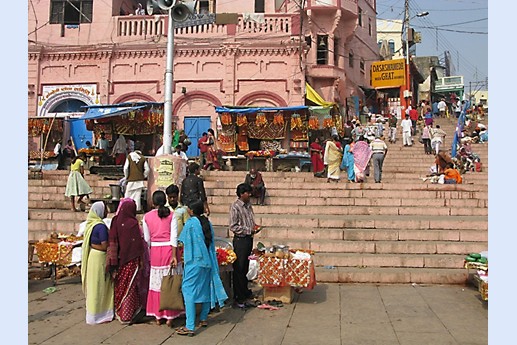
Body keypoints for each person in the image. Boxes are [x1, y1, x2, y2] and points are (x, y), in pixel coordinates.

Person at [175, 199, 228, 337]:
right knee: (205, 288)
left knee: (188, 291)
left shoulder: (191, 224)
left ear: (191, 211)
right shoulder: (207, 222)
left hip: (194, 261)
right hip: (207, 261)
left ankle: (190, 326)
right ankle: (203, 318)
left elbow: (182, 241)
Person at [142, 190, 184, 326]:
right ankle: (170, 316)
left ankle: (158, 315)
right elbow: (174, 237)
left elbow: (147, 239)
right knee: (170, 282)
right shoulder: (171, 215)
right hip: (169, 251)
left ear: (153, 202)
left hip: (155, 251)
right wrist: (173, 255)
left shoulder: (146, 217)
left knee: (157, 283)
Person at [106, 199, 147, 324]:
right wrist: (141, 260)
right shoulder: (133, 223)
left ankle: (122, 312)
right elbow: (137, 245)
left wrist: (113, 261)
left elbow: (112, 241)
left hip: (119, 260)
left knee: (122, 287)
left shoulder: (115, 221)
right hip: (132, 260)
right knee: (130, 288)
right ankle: (127, 315)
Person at [81, 201, 114, 325]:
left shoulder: (90, 224)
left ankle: (93, 314)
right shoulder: (100, 226)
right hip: (100, 257)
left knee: (94, 285)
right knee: (100, 285)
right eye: (105, 209)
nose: (107, 212)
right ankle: (101, 314)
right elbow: (105, 245)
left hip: (92, 257)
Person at [229, 183, 262, 307]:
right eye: (247, 193)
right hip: (240, 240)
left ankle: (245, 291)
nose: (249, 195)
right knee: (239, 268)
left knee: (245, 267)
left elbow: (250, 220)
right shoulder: (235, 207)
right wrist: (249, 230)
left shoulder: (248, 206)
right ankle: (239, 296)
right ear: (241, 194)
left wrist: (254, 227)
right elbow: (233, 226)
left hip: (249, 239)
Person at [123, 142, 150, 212]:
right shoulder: (143, 158)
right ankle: (137, 209)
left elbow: (125, 168)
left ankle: (126, 208)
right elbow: (147, 169)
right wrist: (143, 176)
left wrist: (127, 177)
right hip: (139, 180)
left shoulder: (129, 156)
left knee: (128, 195)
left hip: (130, 180)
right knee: (137, 196)